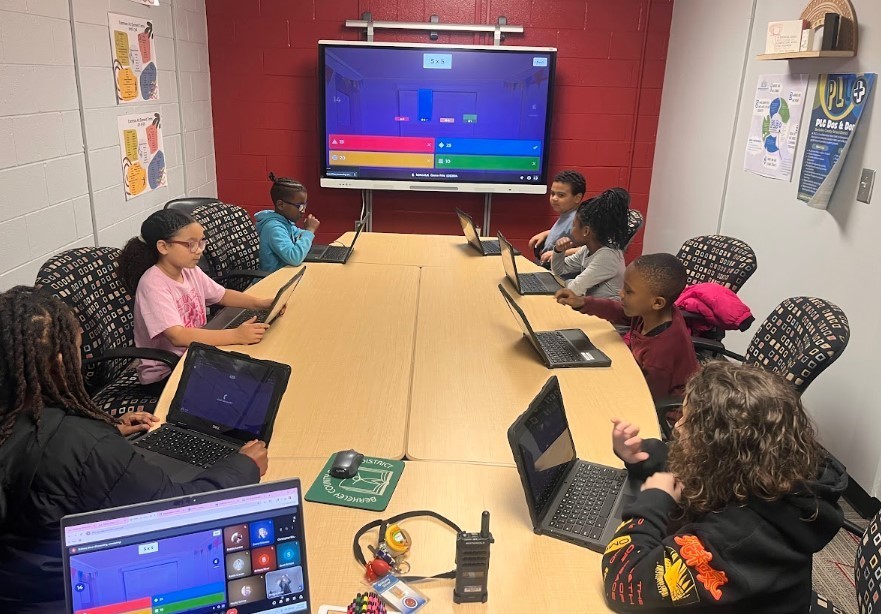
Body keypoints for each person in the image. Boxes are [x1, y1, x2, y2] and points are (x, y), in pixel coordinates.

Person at [0, 286, 269, 613]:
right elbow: (177, 512)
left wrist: (108, 428)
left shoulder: (19, 420)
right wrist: (243, 467)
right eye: (76, 350)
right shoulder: (87, 446)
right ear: (59, 363)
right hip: (67, 598)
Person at [602, 362, 846, 613]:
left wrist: (653, 500)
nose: (678, 426)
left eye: (688, 421)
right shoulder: (762, 471)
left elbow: (624, 582)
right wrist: (643, 455)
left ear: (718, 449)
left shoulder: (738, 539)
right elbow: (694, 469)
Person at [118, 209, 274, 385]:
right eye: (191, 244)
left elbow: (222, 295)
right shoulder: (153, 284)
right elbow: (178, 336)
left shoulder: (189, 270)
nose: (199, 250)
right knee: (248, 380)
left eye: (201, 242)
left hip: (195, 355)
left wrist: (260, 304)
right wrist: (236, 335)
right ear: (163, 247)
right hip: (168, 373)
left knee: (261, 366)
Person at [556, 253, 699, 404]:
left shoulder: (660, 354)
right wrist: (582, 302)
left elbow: (649, 402)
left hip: (665, 406)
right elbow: (618, 311)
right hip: (633, 372)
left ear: (657, 303)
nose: (621, 293)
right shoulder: (652, 313)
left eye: (629, 291)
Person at [550, 188, 630, 299]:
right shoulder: (588, 249)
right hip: (591, 305)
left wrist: (566, 282)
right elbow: (559, 270)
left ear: (586, 231)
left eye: (573, 225)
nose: (571, 230)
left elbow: (573, 290)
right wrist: (558, 251)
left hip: (604, 309)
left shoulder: (608, 257)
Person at [256, 172, 320, 272]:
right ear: (281, 205)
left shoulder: (285, 223)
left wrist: (306, 233)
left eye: (304, 206)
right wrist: (310, 231)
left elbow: (298, 233)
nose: (303, 211)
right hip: (272, 279)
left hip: (286, 274)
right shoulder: (274, 228)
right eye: (300, 206)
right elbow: (294, 258)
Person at [528, 170, 586, 267]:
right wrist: (547, 233)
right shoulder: (566, 213)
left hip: (557, 270)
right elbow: (566, 231)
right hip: (544, 263)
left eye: (561, 195)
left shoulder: (578, 220)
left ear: (577, 198)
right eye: (552, 193)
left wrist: (557, 253)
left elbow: (589, 250)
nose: (554, 198)